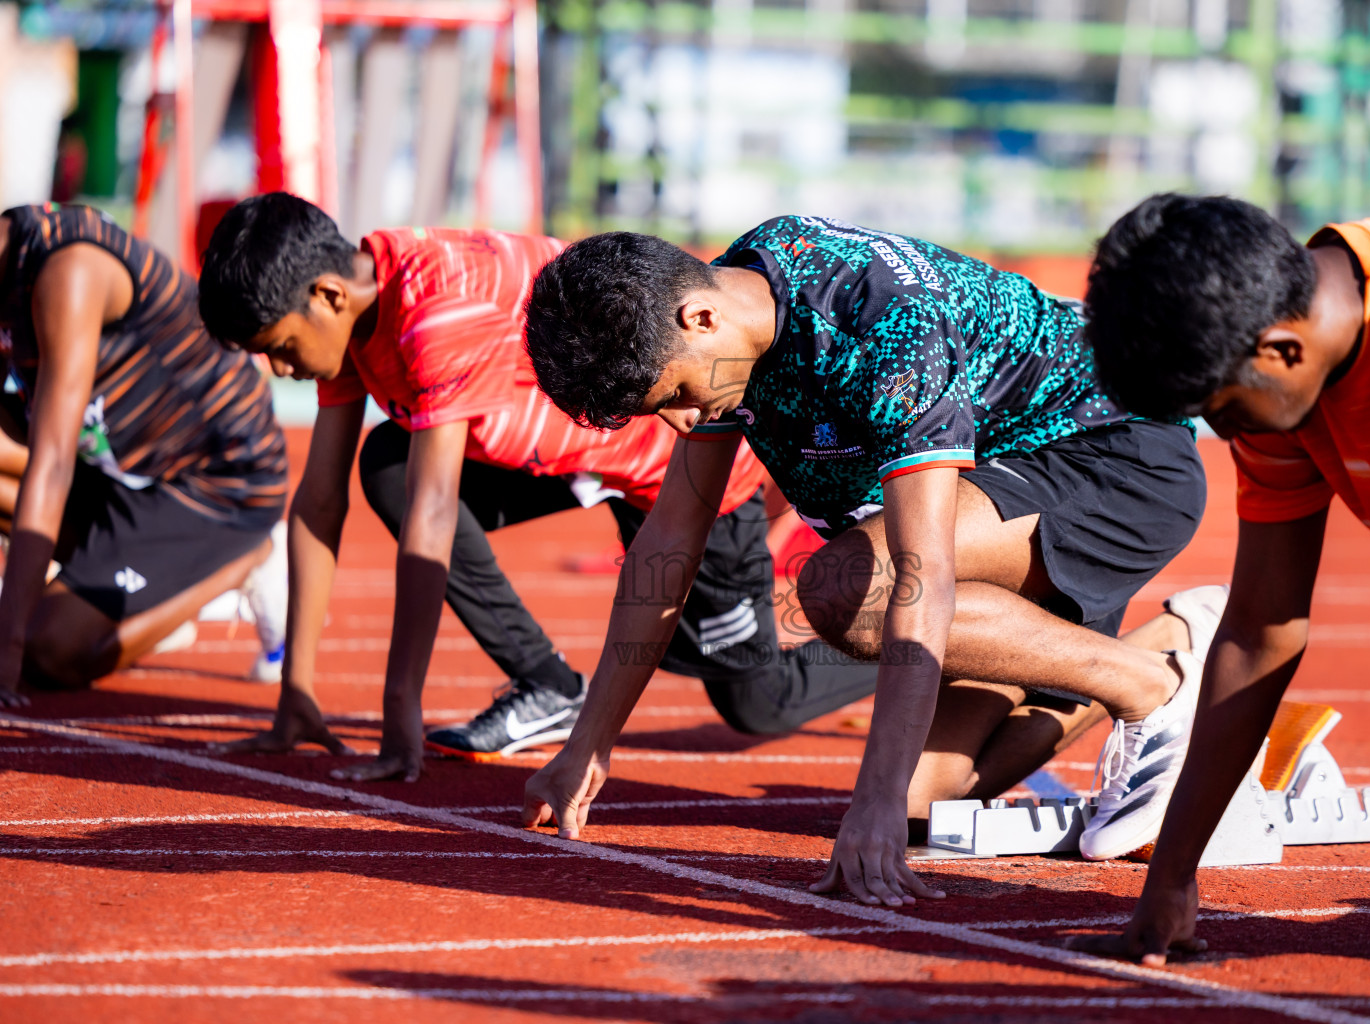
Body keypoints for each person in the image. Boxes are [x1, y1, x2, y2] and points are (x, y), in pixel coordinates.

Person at [515, 215, 1222, 906]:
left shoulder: (886, 326)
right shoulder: (722, 315)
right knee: (924, 807)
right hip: (1006, 494)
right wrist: (589, 746)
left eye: (675, 394)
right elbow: (667, 544)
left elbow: (923, 573)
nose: (683, 422)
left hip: (1118, 461)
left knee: (847, 593)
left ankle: (1149, 687)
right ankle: (1172, 644)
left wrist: (869, 801)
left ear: (700, 318)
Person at [196, 193, 881, 782]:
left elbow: (434, 515)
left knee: (756, 701)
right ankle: (546, 683)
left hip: (687, 454)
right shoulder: (350, 312)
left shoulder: (436, 310)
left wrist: (399, 706)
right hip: (586, 459)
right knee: (389, 462)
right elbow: (319, 502)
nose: (280, 371)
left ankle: (921, 648)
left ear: (327, 296)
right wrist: (297, 688)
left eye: (280, 349)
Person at [1079, 194, 1370, 1023]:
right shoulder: (1286, 359)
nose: (1223, 433)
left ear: (1281, 350)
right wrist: (1172, 883)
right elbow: (1259, 632)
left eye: (1219, 412)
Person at [0, 202, 289, 706]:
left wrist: (7, 643)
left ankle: (249, 559)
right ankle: (143, 603)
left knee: (45, 650)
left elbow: (52, 463)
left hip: (219, 485)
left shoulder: (69, 266)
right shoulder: (9, 260)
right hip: (130, 470)